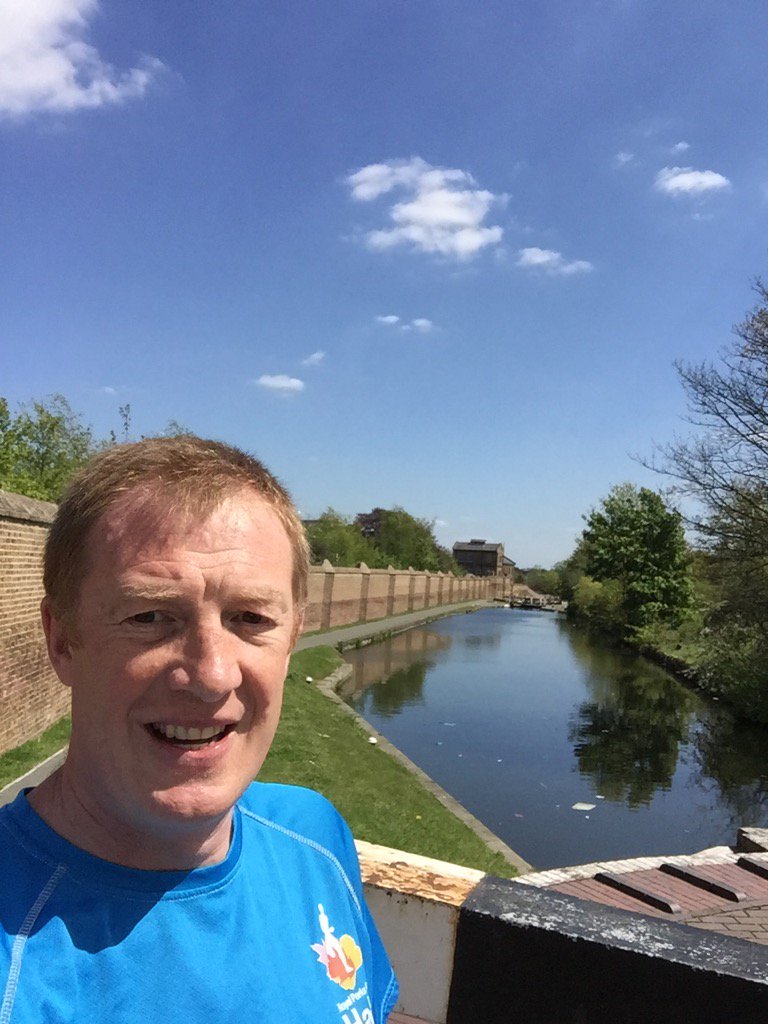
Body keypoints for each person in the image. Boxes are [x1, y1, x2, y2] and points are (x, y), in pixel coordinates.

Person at [0, 436, 398, 1024]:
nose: (211, 676)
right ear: (63, 640)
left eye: (251, 618)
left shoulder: (314, 836)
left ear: (291, 641)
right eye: (150, 616)